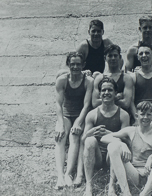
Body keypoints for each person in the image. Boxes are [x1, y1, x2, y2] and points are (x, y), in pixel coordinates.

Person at [101, 101, 152, 196]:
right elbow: (104, 138)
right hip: (134, 174)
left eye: (149, 114)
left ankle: (145, 193)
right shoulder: (131, 130)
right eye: (142, 114)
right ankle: (126, 193)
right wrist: (122, 144)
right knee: (112, 146)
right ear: (136, 115)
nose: (145, 117)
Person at [81, 77, 130, 196]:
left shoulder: (123, 115)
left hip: (112, 156)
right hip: (96, 156)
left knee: (114, 145)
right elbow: (83, 140)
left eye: (110, 90)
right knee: (90, 141)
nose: (106, 93)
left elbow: (127, 141)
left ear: (115, 93)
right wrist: (90, 132)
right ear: (99, 93)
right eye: (103, 90)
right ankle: (89, 185)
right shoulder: (92, 114)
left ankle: (111, 186)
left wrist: (110, 134)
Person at [54, 52, 93, 189]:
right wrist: (60, 124)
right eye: (72, 64)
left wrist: (78, 122)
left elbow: (87, 104)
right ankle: (60, 175)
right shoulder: (62, 80)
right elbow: (58, 104)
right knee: (60, 136)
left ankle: (69, 173)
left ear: (83, 65)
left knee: (75, 136)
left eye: (78, 64)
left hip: (80, 114)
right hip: (65, 114)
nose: (75, 67)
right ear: (68, 65)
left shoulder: (88, 81)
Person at [92, 44, 133, 111]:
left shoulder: (126, 78)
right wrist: (116, 98)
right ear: (105, 58)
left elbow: (126, 104)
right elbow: (95, 103)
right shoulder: (99, 78)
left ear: (120, 57)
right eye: (110, 56)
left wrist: (105, 99)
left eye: (115, 55)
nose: (113, 58)